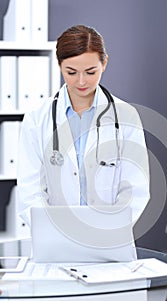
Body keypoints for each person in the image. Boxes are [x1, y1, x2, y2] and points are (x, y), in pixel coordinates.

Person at [17, 24, 150, 228]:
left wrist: (110, 229)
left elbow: (136, 189)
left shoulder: (126, 117)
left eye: (90, 72)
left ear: (104, 63)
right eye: (71, 72)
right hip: (55, 238)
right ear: (59, 65)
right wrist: (53, 231)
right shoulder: (37, 119)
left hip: (110, 237)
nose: (81, 81)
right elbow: (30, 190)